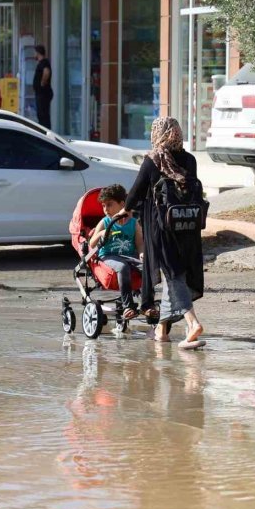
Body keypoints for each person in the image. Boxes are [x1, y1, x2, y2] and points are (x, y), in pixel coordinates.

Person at [116, 116, 205, 348]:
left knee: (173, 275)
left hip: (162, 228)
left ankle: (192, 322)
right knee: (174, 274)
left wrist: (123, 212)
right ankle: (161, 331)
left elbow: (135, 194)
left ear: (158, 134)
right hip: (188, 226)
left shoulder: (153, 160)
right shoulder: (190, 160)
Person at [87, 184, 144, 320]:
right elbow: (92, 243)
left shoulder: (133, 223)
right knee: (122, 267)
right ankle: (128, 306)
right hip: (108, 256)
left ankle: (148, 303)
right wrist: (100, 233)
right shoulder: (105, 222)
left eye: (109, 205)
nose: (106, 209)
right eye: (104, 206)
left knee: (146, 268)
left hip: (127, 256)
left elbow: (140, 243)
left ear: (122, 204)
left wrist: (142, 253)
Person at [33, 45, 53, 128]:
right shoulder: (41, 63)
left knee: (43, 114)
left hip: (43, 93)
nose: (33, 55)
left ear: (38, 53)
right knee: (41, 114)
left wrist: (42, 83)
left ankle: (45, 132)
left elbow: (46, 72)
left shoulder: (44, 62)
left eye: (35, 53)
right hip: (40, 93)